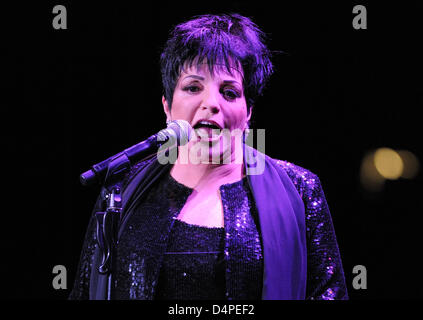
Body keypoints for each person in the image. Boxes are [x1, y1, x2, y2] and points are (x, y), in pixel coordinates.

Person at [69, 13, 348, 300]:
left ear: (248, 112)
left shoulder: (300, 189)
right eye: (193, 87)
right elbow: (85, 291)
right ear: (167, 105)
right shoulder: (122, 186)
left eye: (228, 92)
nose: (211, 104)